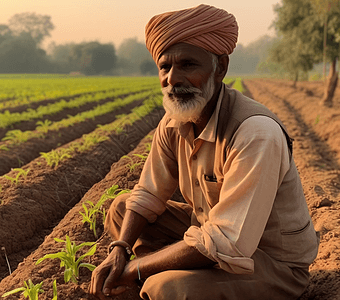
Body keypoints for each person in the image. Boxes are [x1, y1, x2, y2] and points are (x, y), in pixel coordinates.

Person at [90, 4, 319, 300]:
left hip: (270, 262)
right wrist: (119, 250)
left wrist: (135, 268)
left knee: (167, 287)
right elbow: (148, 194)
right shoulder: (175, 121)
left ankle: (159, 280)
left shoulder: (255, 132)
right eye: (165, 67)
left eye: (188, 65)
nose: (172, 78)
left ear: (220, 67)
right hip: (213, 235)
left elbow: (227, 242)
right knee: (123, 209)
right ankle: (162, 274)